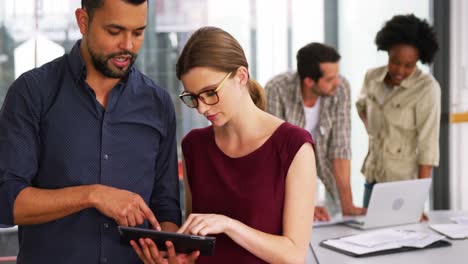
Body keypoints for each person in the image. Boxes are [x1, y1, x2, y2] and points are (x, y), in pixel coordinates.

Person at [0, 0, 184, 263]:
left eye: (138, 32)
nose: (128, 46)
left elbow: (165, 209)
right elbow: (6, 200)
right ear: (83, 21)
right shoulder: (32, 93)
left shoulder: (159, 104)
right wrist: (92, 195)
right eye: (114, 31)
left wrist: (169, 249)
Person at [132, 26, 316, 264]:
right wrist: (178, 259)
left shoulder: (294, 146)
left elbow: (293, 254)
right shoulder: (194, 146)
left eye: (210, 92)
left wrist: (229, 225)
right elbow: (196, 243)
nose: (202, 107)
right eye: (192, 97)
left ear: (241, 76)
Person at [265, 43, 365, 220]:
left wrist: (347, 205)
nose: (338, 82)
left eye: (337, 75)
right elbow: (276, 156)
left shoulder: (340, 89)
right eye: (329, 79)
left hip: (322, 173)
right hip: (285, 178)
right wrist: (303, 206)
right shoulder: (276, 89)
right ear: (309, 81)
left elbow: (340, 147)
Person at [356, 14, 441, 208]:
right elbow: (361, 106)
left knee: (402, 238)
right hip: (373, 177)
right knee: (367, 237)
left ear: (419, 60)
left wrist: (418, 200)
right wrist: (375, 134)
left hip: (403, 185)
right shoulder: (372, 77)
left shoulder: (427, 88)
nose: (400, 70)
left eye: (409, 65)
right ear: (387, 52)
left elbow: (428, 147)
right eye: (395, 61)